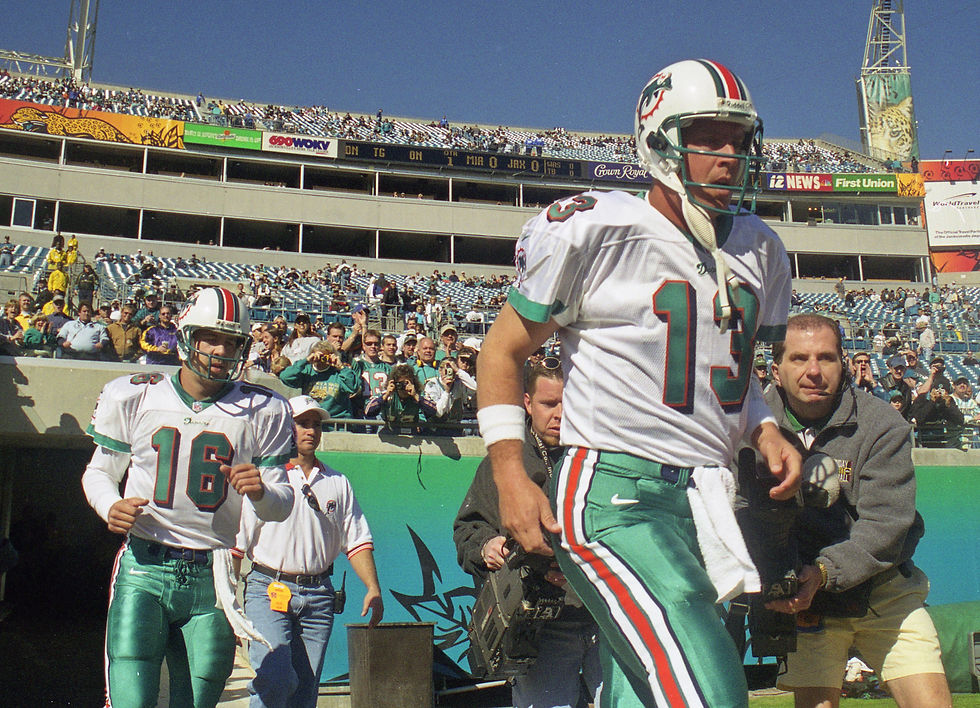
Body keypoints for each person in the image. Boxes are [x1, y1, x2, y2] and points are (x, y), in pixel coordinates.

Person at [476, 59, 801, 707]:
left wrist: (764, 427)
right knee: (707, 690)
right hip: (611, 498)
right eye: (709, 136)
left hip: (702, 502)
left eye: (740, 140)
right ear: (659, 138)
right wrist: (511, 474)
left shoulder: (761, 249)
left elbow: (733, 378)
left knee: (640, 693)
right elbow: (501, 351)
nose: (730, 155)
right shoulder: (598, 229)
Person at [80, 287, 295, 708]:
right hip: (145, 563)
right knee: (130, 696)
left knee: (197, 700)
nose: (220, 349)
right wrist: (110, 505)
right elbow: (99, 472)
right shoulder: (136, 393)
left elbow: (281, 505)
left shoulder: (262, 408)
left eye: (231, 341)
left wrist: (262, 492)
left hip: (212, 572)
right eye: (211, 337)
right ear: (186, 336)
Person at [760, 315, 951, 708]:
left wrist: (825, 571)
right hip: (806, 600)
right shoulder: (753, 426)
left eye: (826, 358)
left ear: (844, 363)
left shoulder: (882, 423)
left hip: (885, 589)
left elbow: (888, 523)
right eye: (799, 359)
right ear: (776, 370)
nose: (813, 371)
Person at [454, 362, 600, 708]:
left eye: (569, 402)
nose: (560, 414)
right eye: (549, 404)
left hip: (606, 617)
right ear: (527, 402)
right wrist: (486, 546)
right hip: (542, 627)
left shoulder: (602, 456)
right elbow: (466, 530)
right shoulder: (505, 462)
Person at [236, 395, 383, 708]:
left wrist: (372, 587)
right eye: (303, 423)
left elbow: (356, 539)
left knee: (304, 693)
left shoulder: (337, 481)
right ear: (287, 427)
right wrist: (227, 606)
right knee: (273, 679)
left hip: (319, 595)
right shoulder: (266, 477)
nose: (311, 431)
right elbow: (238, 542)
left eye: (316, 424)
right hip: (268, 588)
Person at [279, 340, 361, 421]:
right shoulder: (307, 371)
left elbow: (353, 387)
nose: (321, 360)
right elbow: (285, 377)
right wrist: (306, 361)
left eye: (325, 357)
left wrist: (341, 367)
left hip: (336, 422)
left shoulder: (339, 373)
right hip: (314, 420)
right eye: (319, 356)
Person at [364, 363, 438, 433]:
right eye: (400, 383)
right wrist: (386, 395)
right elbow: (368, 411)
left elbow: (433, 411)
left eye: (406, 383)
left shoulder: (418, 396)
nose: (404, 387)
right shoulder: (387, 396)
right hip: (390, 434)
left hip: (411, 435)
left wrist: (416, 396)